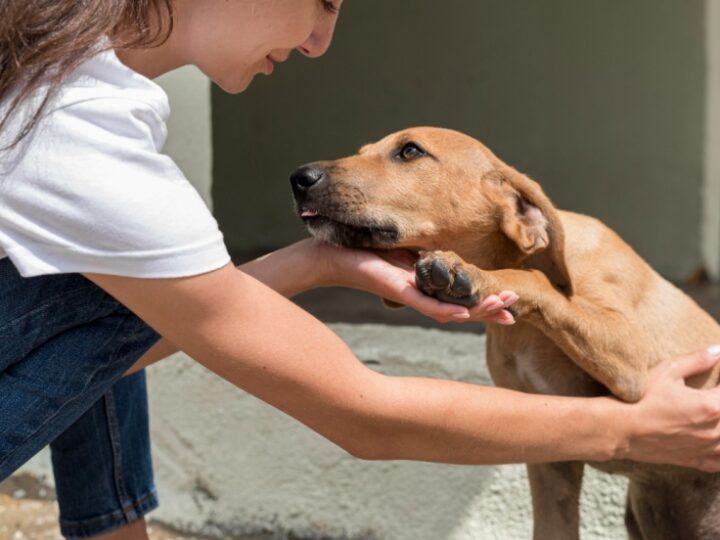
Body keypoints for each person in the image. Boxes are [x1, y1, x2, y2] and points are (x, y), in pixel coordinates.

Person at [2, 1, 720, 539]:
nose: (320, 42)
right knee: (116, 292)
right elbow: (363, 417)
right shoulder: (81, 126)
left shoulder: (66, 81)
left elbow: (154, 332)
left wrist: (321, 263)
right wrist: (629, 431)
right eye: (326, 2)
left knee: (119, 290)